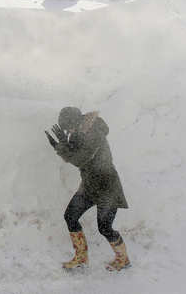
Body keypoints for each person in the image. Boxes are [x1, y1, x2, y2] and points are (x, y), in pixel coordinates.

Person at [45, 106, 130, 271]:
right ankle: (81, 258)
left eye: (68, 127)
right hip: (90, 185)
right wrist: (64, 143)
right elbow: (75, 151)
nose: (68, 131)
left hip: (107, 186)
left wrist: (61, 146)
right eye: (66, 129)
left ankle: (123, 259)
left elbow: (80, 159)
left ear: (76, 122)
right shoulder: (80, 131)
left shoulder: (95, 131)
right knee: (70, 216)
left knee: (104, 227)